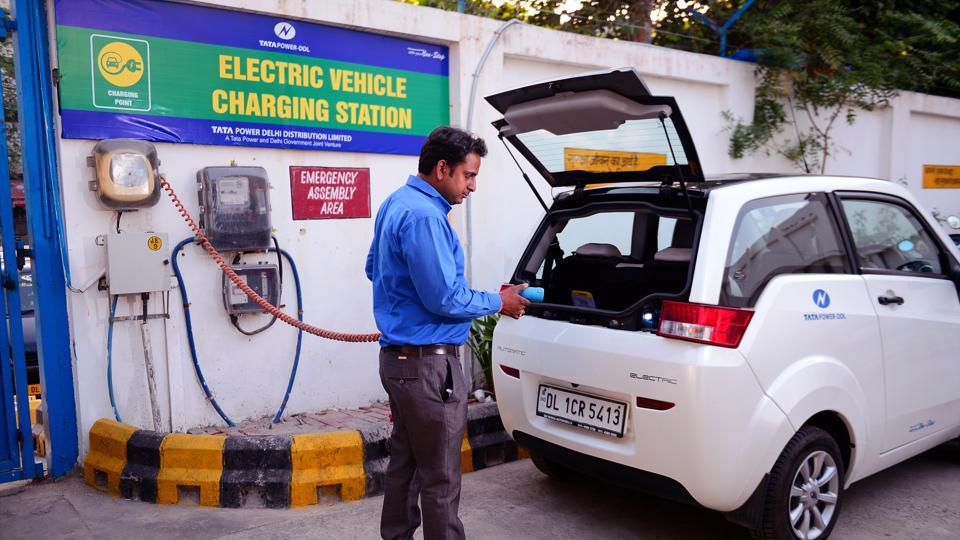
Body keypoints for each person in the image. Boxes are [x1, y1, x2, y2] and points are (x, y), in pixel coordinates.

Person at [365, 126, 529, 540]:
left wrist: (405, 301)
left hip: (400, 362)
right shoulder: (426, 216)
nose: (472, 186)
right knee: (440, 476)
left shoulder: (395, 202)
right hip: (428, 367)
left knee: (405, 465)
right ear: (442, 169)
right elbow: (445, 298)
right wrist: (499, 302)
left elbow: (373, 269)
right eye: (468, 175)